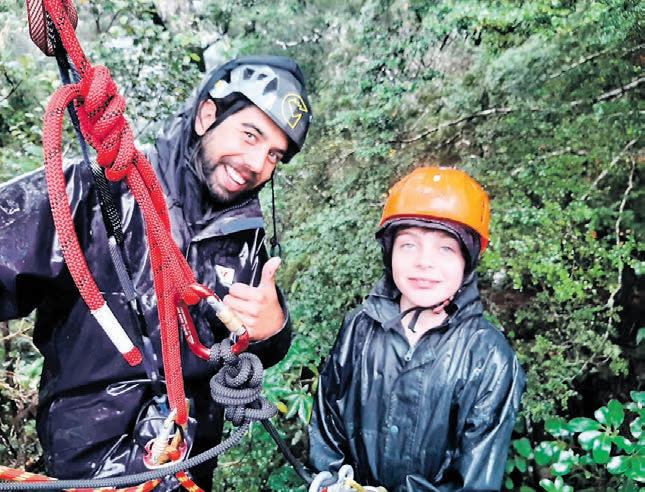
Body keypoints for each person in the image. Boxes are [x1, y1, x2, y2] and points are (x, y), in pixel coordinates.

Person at [0, 55, 311, 489]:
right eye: (250, 134)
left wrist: (273, 330)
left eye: (274, 154)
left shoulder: (246, 240)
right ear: (207, 115)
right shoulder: (98, 188)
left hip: (187, 470)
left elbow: (249, 350)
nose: (257, 163)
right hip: (87, 469)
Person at [308, 166, 526, 491]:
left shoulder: (489, 357)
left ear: (467, 260)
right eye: (408, 245)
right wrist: (328, 479)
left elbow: (474, 481)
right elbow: (328, 425)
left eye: (445, 248)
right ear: (390, 252)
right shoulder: (358, 328)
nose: (424, 262)